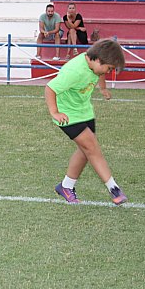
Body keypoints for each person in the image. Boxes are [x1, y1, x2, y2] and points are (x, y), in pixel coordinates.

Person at [45, 39, 127, 206]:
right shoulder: (74, 71)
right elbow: (50, 88)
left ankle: (66, 186)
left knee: (86, 150)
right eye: (109, 68)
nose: (108, 71)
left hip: (84, 111)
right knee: (92, 147)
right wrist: (55, 112)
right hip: (67, 115)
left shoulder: (96, 66)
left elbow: (100, 73)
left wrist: (102, 89)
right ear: (98, 59)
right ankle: (114, 188)